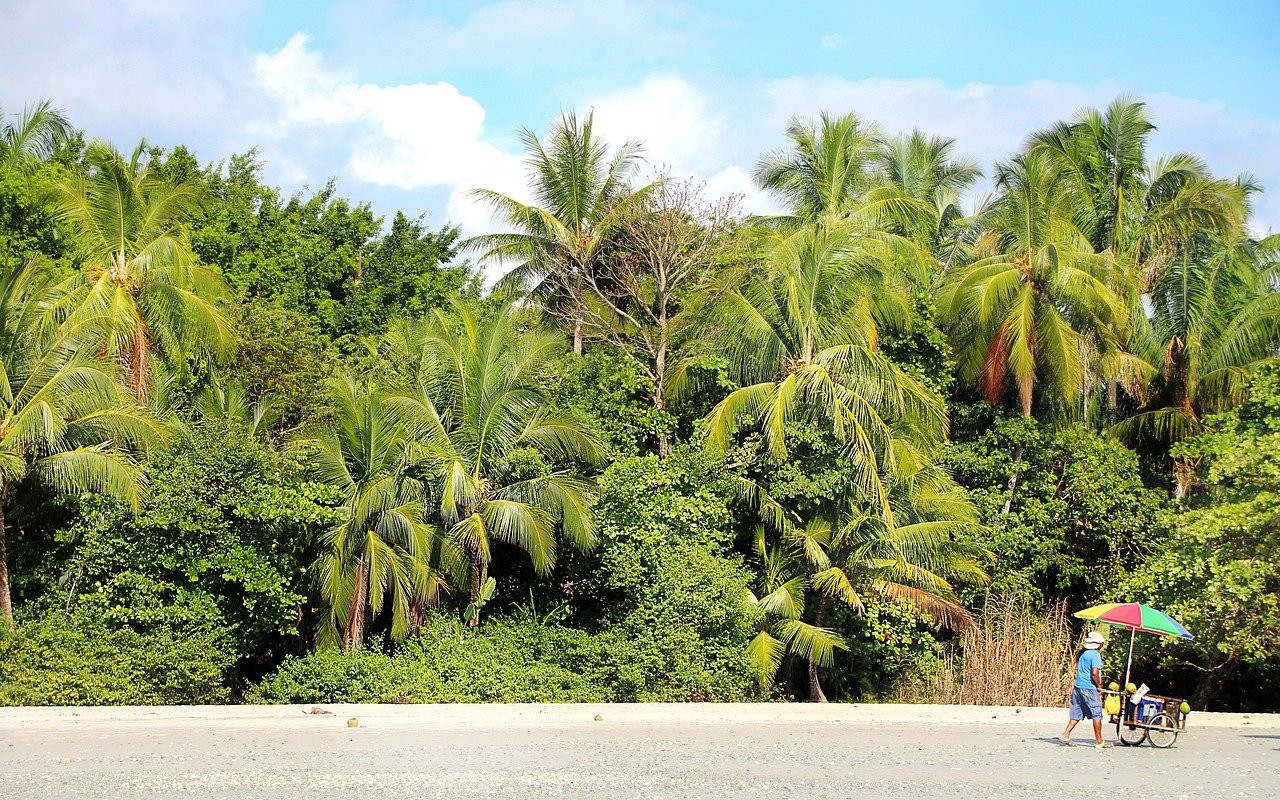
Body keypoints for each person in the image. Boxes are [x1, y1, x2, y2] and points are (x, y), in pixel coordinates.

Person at [1059, 630, 1113, 748]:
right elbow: (1095, 673)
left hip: (1078, 687)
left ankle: (1066, 734)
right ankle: (1099, 741)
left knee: (1077, 712)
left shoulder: (1083, 654)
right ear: (1098, 644)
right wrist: (1099, 686)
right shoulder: (1095, 655)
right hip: (1089, 688)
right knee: (1097, 714)